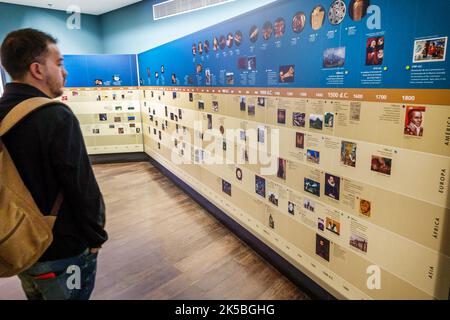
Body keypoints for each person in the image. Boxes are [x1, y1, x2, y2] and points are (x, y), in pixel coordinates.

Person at [0, 28, 107, 300]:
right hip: (62, 249)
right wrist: (96, 237)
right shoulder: (55, 116)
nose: (65, 72)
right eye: (59, 64)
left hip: (17, 245)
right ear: (37, 69)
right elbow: (82, 186)